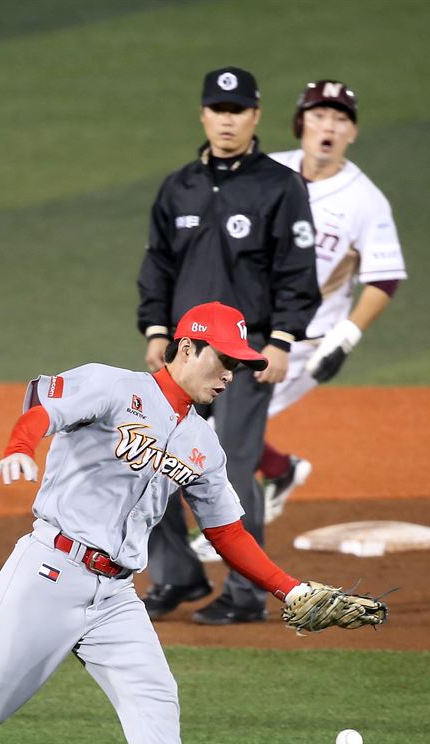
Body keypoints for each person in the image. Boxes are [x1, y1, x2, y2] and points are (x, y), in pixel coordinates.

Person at [0, 302, 323, 744]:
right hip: (52, 571)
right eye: (224, 361)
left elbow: (227, 532)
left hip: (116, 594)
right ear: (188, 348)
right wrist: (19, 448)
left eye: (239, 367)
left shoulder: (204, 444)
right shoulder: (113, 388)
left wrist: (289, 588)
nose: (229, 376)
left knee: (154, 691)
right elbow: (42, 412)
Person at [190, 79, 408, 565]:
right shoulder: (269, 171)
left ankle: (232, 527)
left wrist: (346, 338)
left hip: (303, 343)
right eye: (318, 116)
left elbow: (385, 276)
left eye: (340, 119)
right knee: (200, 413)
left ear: (351, 132)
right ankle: (279, 471)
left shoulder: (364, 200)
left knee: (223, 428)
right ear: (300, 123)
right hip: (242, 328)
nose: (328, 127)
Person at [137, 67, 321, 625]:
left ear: (256, 117)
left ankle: (246, 595)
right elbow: (158, 266)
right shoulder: (179, 186)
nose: (227, 120)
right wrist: (155, 330)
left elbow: (298, 272)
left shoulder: (280, 186)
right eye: (218, 109)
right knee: (146, 457)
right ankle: (177, 574)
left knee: (235, 469)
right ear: (203, 114)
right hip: (186, 353)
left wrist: (284, 341)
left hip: (248, 351)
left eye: (238, 110)